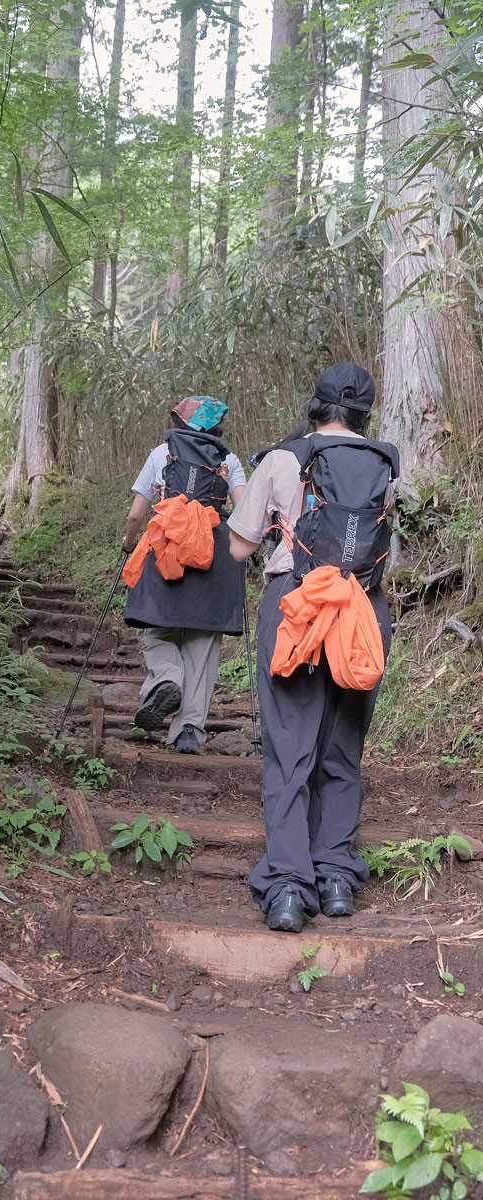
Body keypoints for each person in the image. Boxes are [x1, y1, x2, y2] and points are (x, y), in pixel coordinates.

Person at [227, 363, 399, 932]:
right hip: (360, 608)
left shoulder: (283, 458)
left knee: (289, 749)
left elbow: (236, 547)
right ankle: (337, 878)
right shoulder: (384, 465)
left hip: (297, 605)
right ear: (364, 411)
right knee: (342, 748)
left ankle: (287, 888)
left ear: (317, 403)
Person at [121, 396, 246, 754]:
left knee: (158, 631)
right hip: (213, 555)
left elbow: (135, 514)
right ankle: (189, 730)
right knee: (202, 645)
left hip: (166, 549)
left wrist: (130, 544)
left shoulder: (162, 454)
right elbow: (245, 508)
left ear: (179, 421)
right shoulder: (229, 460)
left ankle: (167, 678)